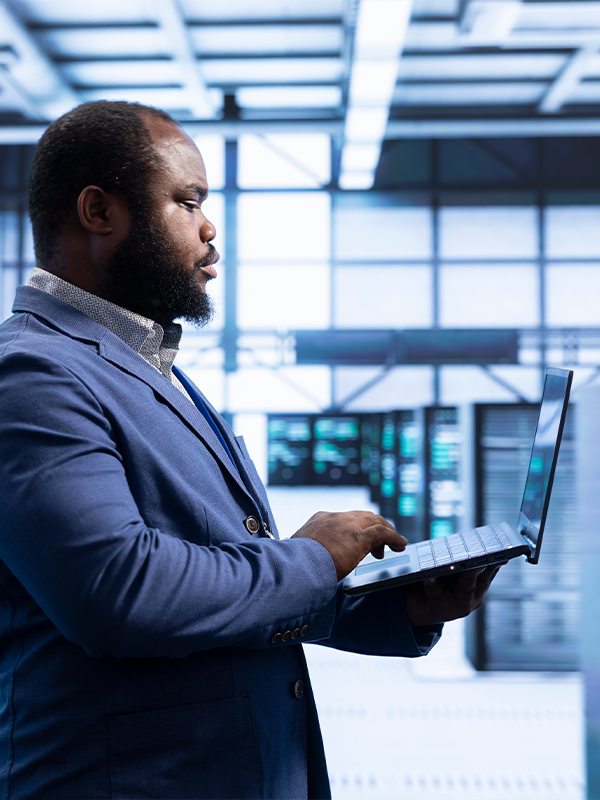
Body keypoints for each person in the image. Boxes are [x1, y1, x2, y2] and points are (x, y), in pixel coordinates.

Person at [0, 101, 501, 800]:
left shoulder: (152, 370)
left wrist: (398, 608)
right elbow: (118, 591)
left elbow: (217, 587)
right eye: (187, 201)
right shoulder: (32, 373)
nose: (210, 230)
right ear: (97, 211)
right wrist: (314, 556)